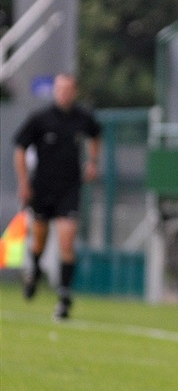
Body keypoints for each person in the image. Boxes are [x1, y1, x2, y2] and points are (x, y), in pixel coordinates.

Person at [13, 74, 101, 320]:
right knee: (39, 241)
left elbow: (96, 135)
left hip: (69, 189)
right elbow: (19, 148)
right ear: (55, 91)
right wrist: (23, 182)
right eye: (60, 89)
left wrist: (92, 162)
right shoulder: (40, 119)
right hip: (41, 188)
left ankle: (63, 298)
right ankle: (35, 269)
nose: (64, 93)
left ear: (75, 91)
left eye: (68, 89)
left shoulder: (82, 118)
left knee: (66, 241)